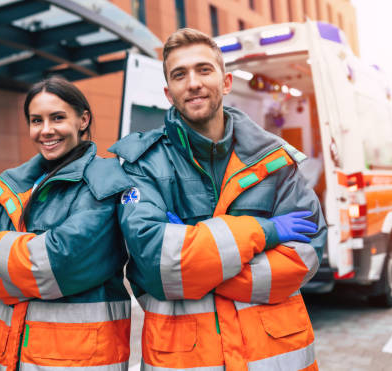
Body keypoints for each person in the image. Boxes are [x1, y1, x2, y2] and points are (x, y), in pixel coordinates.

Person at [110, 28, 327, 370]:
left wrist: (196, 260)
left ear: (226, 82)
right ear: (169, 92)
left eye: (204, 70)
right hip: (187, 359)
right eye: (180, 75)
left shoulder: (273, 158)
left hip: (274, 357)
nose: (193, 82)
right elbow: (155, 265)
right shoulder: (142, 164)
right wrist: (264, 231)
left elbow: (306, 255)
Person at [0, 77, 132, 371]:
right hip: (13, 356)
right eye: (36, 120)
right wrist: (22, 263)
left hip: (79, 360)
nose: (46, 130)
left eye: (57, 118)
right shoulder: (16, 184)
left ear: (83, 120)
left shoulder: (103, 182)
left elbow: (57, 264)